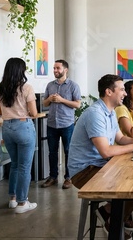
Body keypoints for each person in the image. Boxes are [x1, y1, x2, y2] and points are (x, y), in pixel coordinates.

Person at [68, 74, 133, 239]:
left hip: (101, 165)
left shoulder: (109, 112)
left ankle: (111, 214)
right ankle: (113, 220)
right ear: (109, 92)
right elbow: (106, 151)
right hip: (85, 171)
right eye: (122, 89)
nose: (125, 93)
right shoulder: (95, 114)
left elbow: (121, 139)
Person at [0, 57, 38, 214]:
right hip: (23, 127)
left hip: (7, 128)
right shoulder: (27, 88)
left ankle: (12, 199)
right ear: (21, 71)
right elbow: (33, 112)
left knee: (14, 163)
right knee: (24, 167)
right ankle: (22, 203)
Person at [41, 60, 81, 189]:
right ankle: (52, 177)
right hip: (52, 123)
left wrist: (61, 100)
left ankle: (69, 178)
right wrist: (50, 99)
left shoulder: (73, 86)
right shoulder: (49, 85)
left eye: (58, 68)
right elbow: (44, 104)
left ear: (65, 70)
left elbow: (78, 104)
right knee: (52, 152)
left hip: (67, 124)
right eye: (54, 68)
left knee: (68, 151)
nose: (55, 70)